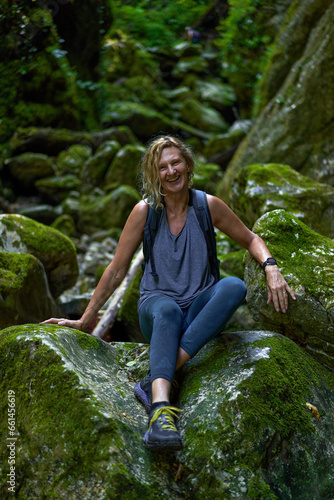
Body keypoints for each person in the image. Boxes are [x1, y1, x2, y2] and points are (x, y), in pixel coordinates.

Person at [42, 135, 296, 452]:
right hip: (157, 310)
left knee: (234, 286)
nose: (171, 171)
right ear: (155, 174)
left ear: (188, 166)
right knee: (168, 311)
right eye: (162, 167)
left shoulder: (207, 206)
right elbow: (116, 270)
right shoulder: (144, 212)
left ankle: (155, 378)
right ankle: (161, 412)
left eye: (176, 163)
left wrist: (271, 266)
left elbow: (251, 239)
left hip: (197, 309)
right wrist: (84, 321)